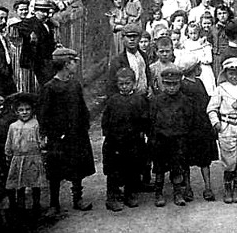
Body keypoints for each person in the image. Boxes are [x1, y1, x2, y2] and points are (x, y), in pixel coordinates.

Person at [39, 47, 96, 216]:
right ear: (65, 64)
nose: (75, 65)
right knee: (55, 170)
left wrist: (85, 124)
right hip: (58, 136)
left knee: (77, 166)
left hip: (76, 134)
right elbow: (44, 114)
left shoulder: (74, 84)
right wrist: (49, 134)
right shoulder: (50, 88)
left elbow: (81, 107)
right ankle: (54, 203)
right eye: (73, 62)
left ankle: (77, 198)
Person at [101, 68, 149, 212]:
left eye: (127, 83)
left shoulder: (140, 100)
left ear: (134, 84)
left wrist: (143, 134)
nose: (124, 87)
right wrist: (109, 136)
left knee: (133, 169)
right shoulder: (113, 101)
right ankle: (112, 197)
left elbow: (145, 119)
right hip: (115, 143)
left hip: (133, 142)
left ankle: (130, 194)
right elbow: (105, 121)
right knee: (114, 171)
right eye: (121, 84)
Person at [149, 67, 195, 207]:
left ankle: (178, 193)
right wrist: (153, 139)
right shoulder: (156, 101)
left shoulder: (184, 101)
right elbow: (151, 121)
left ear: (180, 83)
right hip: (161, 141)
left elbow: (189, 119)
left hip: (178, 141)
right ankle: (159, 193)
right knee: (160, 169)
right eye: (168, 84)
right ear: (163, 83)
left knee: (177, 168)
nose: (171, 87)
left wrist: (183, 135)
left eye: (174, 84)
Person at [207, 57, 237, 204]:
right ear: (225, 74)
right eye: (231, 73)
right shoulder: (221, 89)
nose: (234, 77)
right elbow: (211, 108)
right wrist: (216, 122)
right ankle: (228, 188)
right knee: (229, 160)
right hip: (227, 126)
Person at [179, 56, 218, 204]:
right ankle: (188, 187)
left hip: (202, 126)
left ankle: (207, 187)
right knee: (187, 160)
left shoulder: (199, 82)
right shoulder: (184, 86)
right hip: (191, 127)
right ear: (193, 69)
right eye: (198, 66)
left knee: (204, 160)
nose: (200, 68)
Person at [4, 92, 46, 216]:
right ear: (16, 112)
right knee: (19, 183)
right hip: (18, 158)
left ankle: (36, 205)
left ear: (32, 110)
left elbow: (41, 140)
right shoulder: (13, 126)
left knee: (35, 183)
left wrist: (42, 146)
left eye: (27, 109)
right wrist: (8, 153)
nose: (24, 112)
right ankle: (20, 206)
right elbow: (9, 141)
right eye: (21, 110)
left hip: (33, 157)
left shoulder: (36, 124)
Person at [16, 0, 58, 86]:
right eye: (42, 11)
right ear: (35, 11)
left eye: (47, 11)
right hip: (34, 63)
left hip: (47, 62)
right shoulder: (29, 23)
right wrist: (29, 36)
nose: (46, 14)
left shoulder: (48, 24)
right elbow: (16, 28)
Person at [109, 22, 151, 96]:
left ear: (139, 38)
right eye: (129, 37)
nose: (132, 39)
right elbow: (112, 86)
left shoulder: (144, 56)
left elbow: (147, 74)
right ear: (122, 38)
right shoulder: (118, 61)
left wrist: (149, 87)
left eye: (135, 36)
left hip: (144, 98)